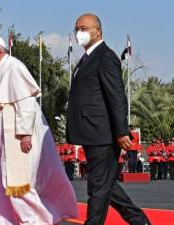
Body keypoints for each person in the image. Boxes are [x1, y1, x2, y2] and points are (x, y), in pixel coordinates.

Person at [0, 36, 77, 225]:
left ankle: (35, 220)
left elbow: (26, 103)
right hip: (4, 135)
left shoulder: (14, 67)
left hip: (16, 134)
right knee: (1, 180)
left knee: (17, 181)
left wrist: (25, 134)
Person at [66, 13, 151, 225]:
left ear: (98, 31)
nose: (79, 33)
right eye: (77, 29)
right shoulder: (87, 58)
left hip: (102, 133)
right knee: (105, 185)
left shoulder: (105, 56)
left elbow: (117, 96)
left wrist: (121, 131)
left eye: (84, 28)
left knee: (97, 186)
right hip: (92, 132)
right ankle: (140, 222)